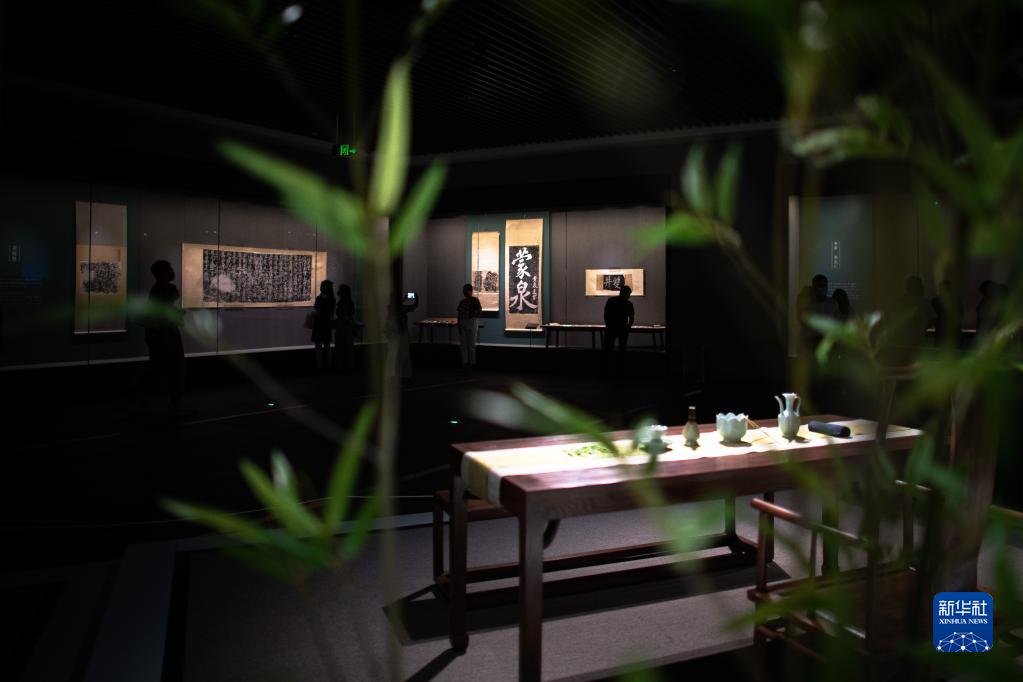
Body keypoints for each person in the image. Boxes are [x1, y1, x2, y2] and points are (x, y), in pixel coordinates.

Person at [144, 260, 186, 411]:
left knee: (160, 368)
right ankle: (175, 406)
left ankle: (172, 405)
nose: (173, 271)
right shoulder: (164, 289)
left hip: (161, 333)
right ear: (164, 272)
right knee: (174, 370)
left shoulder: (157, 290)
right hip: (165, 334)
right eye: (170, 269)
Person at [603, 285, 634, 374]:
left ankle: (606, 369)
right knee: (622, 349)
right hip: (623, 328)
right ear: (627, 294)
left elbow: (605, 314)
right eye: (629, 294)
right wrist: (628, 327)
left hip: (611, 328)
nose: (629, 296)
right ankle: (620, 370)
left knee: (607, 349)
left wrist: (607, 325)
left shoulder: (611, 300)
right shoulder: (629, 304)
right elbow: (631, 318)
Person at [456, 283, 482, 368]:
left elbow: (478, 312)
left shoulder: (475, 300)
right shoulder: (463, 302)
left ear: (470, 291)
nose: (464, 292)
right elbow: (459, 314)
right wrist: (459, 324)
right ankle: (465, 362)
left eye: (465, 290)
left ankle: (471, 362)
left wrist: (471, 317)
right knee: (464, 344)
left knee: (471, 344)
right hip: (464, 322)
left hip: (471, 322)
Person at [931, 279, 963, 347]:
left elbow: (933, 317)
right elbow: (960, 315)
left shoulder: (935, 301)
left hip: (941, 332)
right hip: (953, 332)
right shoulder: (956, 300)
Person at [312, 280, 335, 369]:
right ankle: (329, 365)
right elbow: (331, 313)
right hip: (327, 324)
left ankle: (319, 366)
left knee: (318, 347)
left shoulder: (319, 298)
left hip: (319, 324)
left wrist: (311, 315)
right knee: (327, 346)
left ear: (323, 288)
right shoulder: (332, 299)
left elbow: (317, 311)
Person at [334, 284, 356, 371]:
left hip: (342, 326)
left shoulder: (342, 302)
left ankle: (341, 365)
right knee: (348, 347)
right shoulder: (350, 302)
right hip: (348, 326)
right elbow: (351, 313)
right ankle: (348, 365)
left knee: (341, 346)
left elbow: (341, 314)